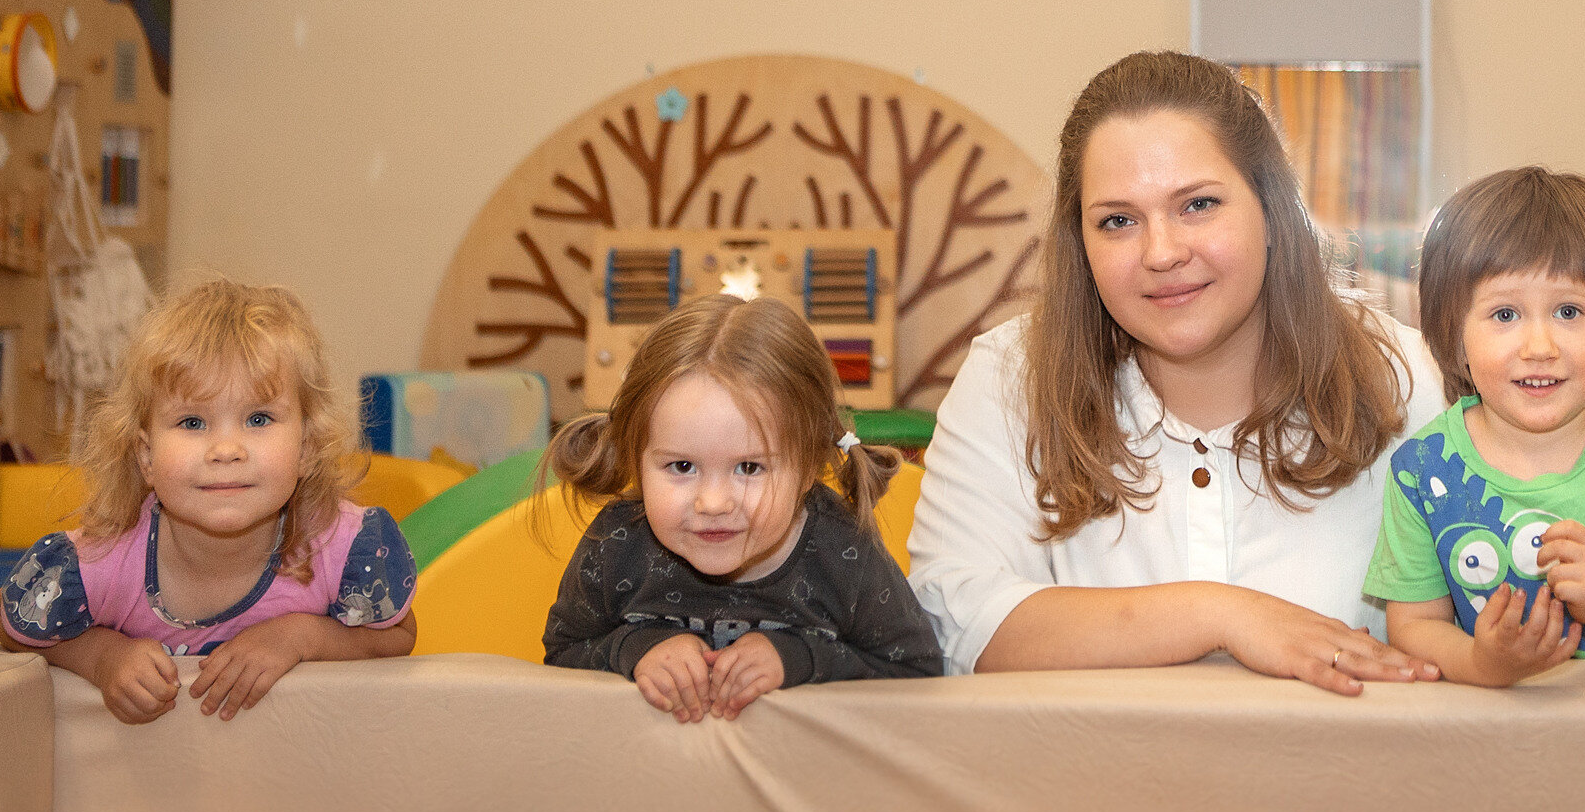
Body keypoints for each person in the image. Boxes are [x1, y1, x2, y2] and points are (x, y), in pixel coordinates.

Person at [908, 51, 1446, 695]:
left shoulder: (1414, 383)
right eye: (1118, 221)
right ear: (1080, 242)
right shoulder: (1008, 379)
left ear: (1273, 211)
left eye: (1197, 205)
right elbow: (951, 620)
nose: (1161, 253)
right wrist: (1219, 615)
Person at [0, 277, 416, 722]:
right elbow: (11, 624)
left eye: (259, 418)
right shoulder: (104, 561)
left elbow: (399, 634)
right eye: (193, 422)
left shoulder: (340, 547)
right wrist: (102, 657)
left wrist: (300, 637)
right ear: (146, 456)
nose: (226, 449)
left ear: (306, 449)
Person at [1365, 167, 1585, 684]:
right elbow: (1414, 627)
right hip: (1479, 726)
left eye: (1568, 312)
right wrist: (1483, 663)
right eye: (1505, 315)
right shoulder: (1422, 469)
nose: (1539, 348)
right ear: (1454, 337)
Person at [541, 293, 940, 719]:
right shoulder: (617, 543)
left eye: (749, 467)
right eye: (682, 466)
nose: (713, 503)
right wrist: (635, 649)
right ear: (635, 459)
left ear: (809, 465)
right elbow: (560, 658)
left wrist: (799, 659)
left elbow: (919, 674)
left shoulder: (843, 551)